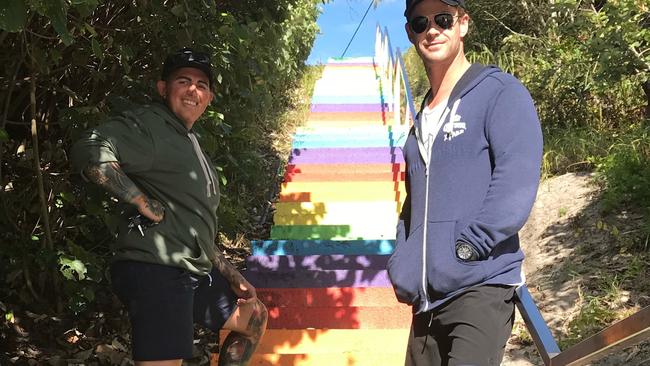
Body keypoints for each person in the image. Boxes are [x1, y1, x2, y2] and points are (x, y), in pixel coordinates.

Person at [71, 48, 267, 366]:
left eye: (202, 84)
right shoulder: (152, 126)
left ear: (209, 96)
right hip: (158, 269)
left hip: (191, 267)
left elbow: (194, 221)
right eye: (183, 81)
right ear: (163, 88)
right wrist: (139, 200)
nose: (193, 90)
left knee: (253, 316)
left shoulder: (189, 141)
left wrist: (230, 273)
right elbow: (89, 148)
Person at [387, 1, 543, 365]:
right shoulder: (420, 121)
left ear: (463, 24)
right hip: (425, 302)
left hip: (479, 286)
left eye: (443, 19)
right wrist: (403, 261)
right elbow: (413, 205)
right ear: (410, 33)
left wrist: (468, 247)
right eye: (420, 22)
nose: (432, 29)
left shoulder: (499, 92)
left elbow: (516, 178)